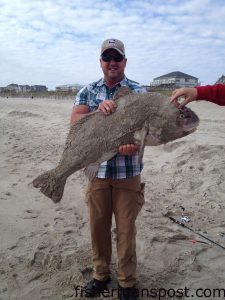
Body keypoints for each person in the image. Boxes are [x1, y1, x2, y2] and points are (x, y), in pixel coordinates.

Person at [70, 38, 146, 300]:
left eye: (117, 58)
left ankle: (127, 282)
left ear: (125, 61)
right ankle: (101, 275)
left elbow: (145, 130)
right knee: (98, 226)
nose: (112, 63)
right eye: (107, 58)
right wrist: (96, 113)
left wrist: (134, 145)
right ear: (101, 62)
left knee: (126, 229)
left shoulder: (139, 92)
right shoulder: (88, 91)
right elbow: (75, 122)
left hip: (128, 173)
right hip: (97, 173)